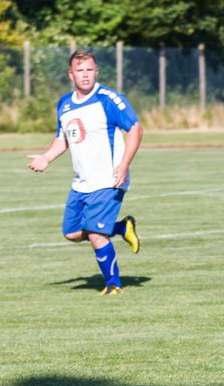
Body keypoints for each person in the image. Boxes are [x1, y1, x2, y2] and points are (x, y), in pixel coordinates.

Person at [27, 50, 143, 295]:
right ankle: (122, 228)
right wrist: (46, 157)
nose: (86, 75)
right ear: (71, 74)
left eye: (90, 70)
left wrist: (123, 165)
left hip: (109, 179)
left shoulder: (109, 99)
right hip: (82, 182)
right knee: (71, 233)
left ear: (96, 71)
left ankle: (114, 285)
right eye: (80, 71)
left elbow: (135, 128)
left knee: (97, 236)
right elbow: (63, 138)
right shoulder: (65, 104)